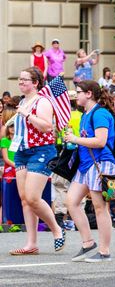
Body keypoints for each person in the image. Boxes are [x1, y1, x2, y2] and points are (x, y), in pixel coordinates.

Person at [9, 67, 65, 256]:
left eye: (25, 79)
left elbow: (47, 127)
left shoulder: (42, 101)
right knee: (26, 200)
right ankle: (31, 243)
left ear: (35, 83)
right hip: (22, 152)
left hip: (41, 151)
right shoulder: (23, 101)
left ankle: (57, 229)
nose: (21, 82)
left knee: (33, 197)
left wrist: (27, 115)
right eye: (20, 78)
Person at [65, 80, 115, 262]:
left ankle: (104, 251)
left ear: (89, 94)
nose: (75, 95)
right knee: (71, 201)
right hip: (87, 165)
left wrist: (75, 139)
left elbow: (101, 141)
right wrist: (73, 141)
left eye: (78, 92)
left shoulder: (100, 113)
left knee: (100, 207)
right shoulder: (86, 114)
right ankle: (88, 243)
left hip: (101, 164)